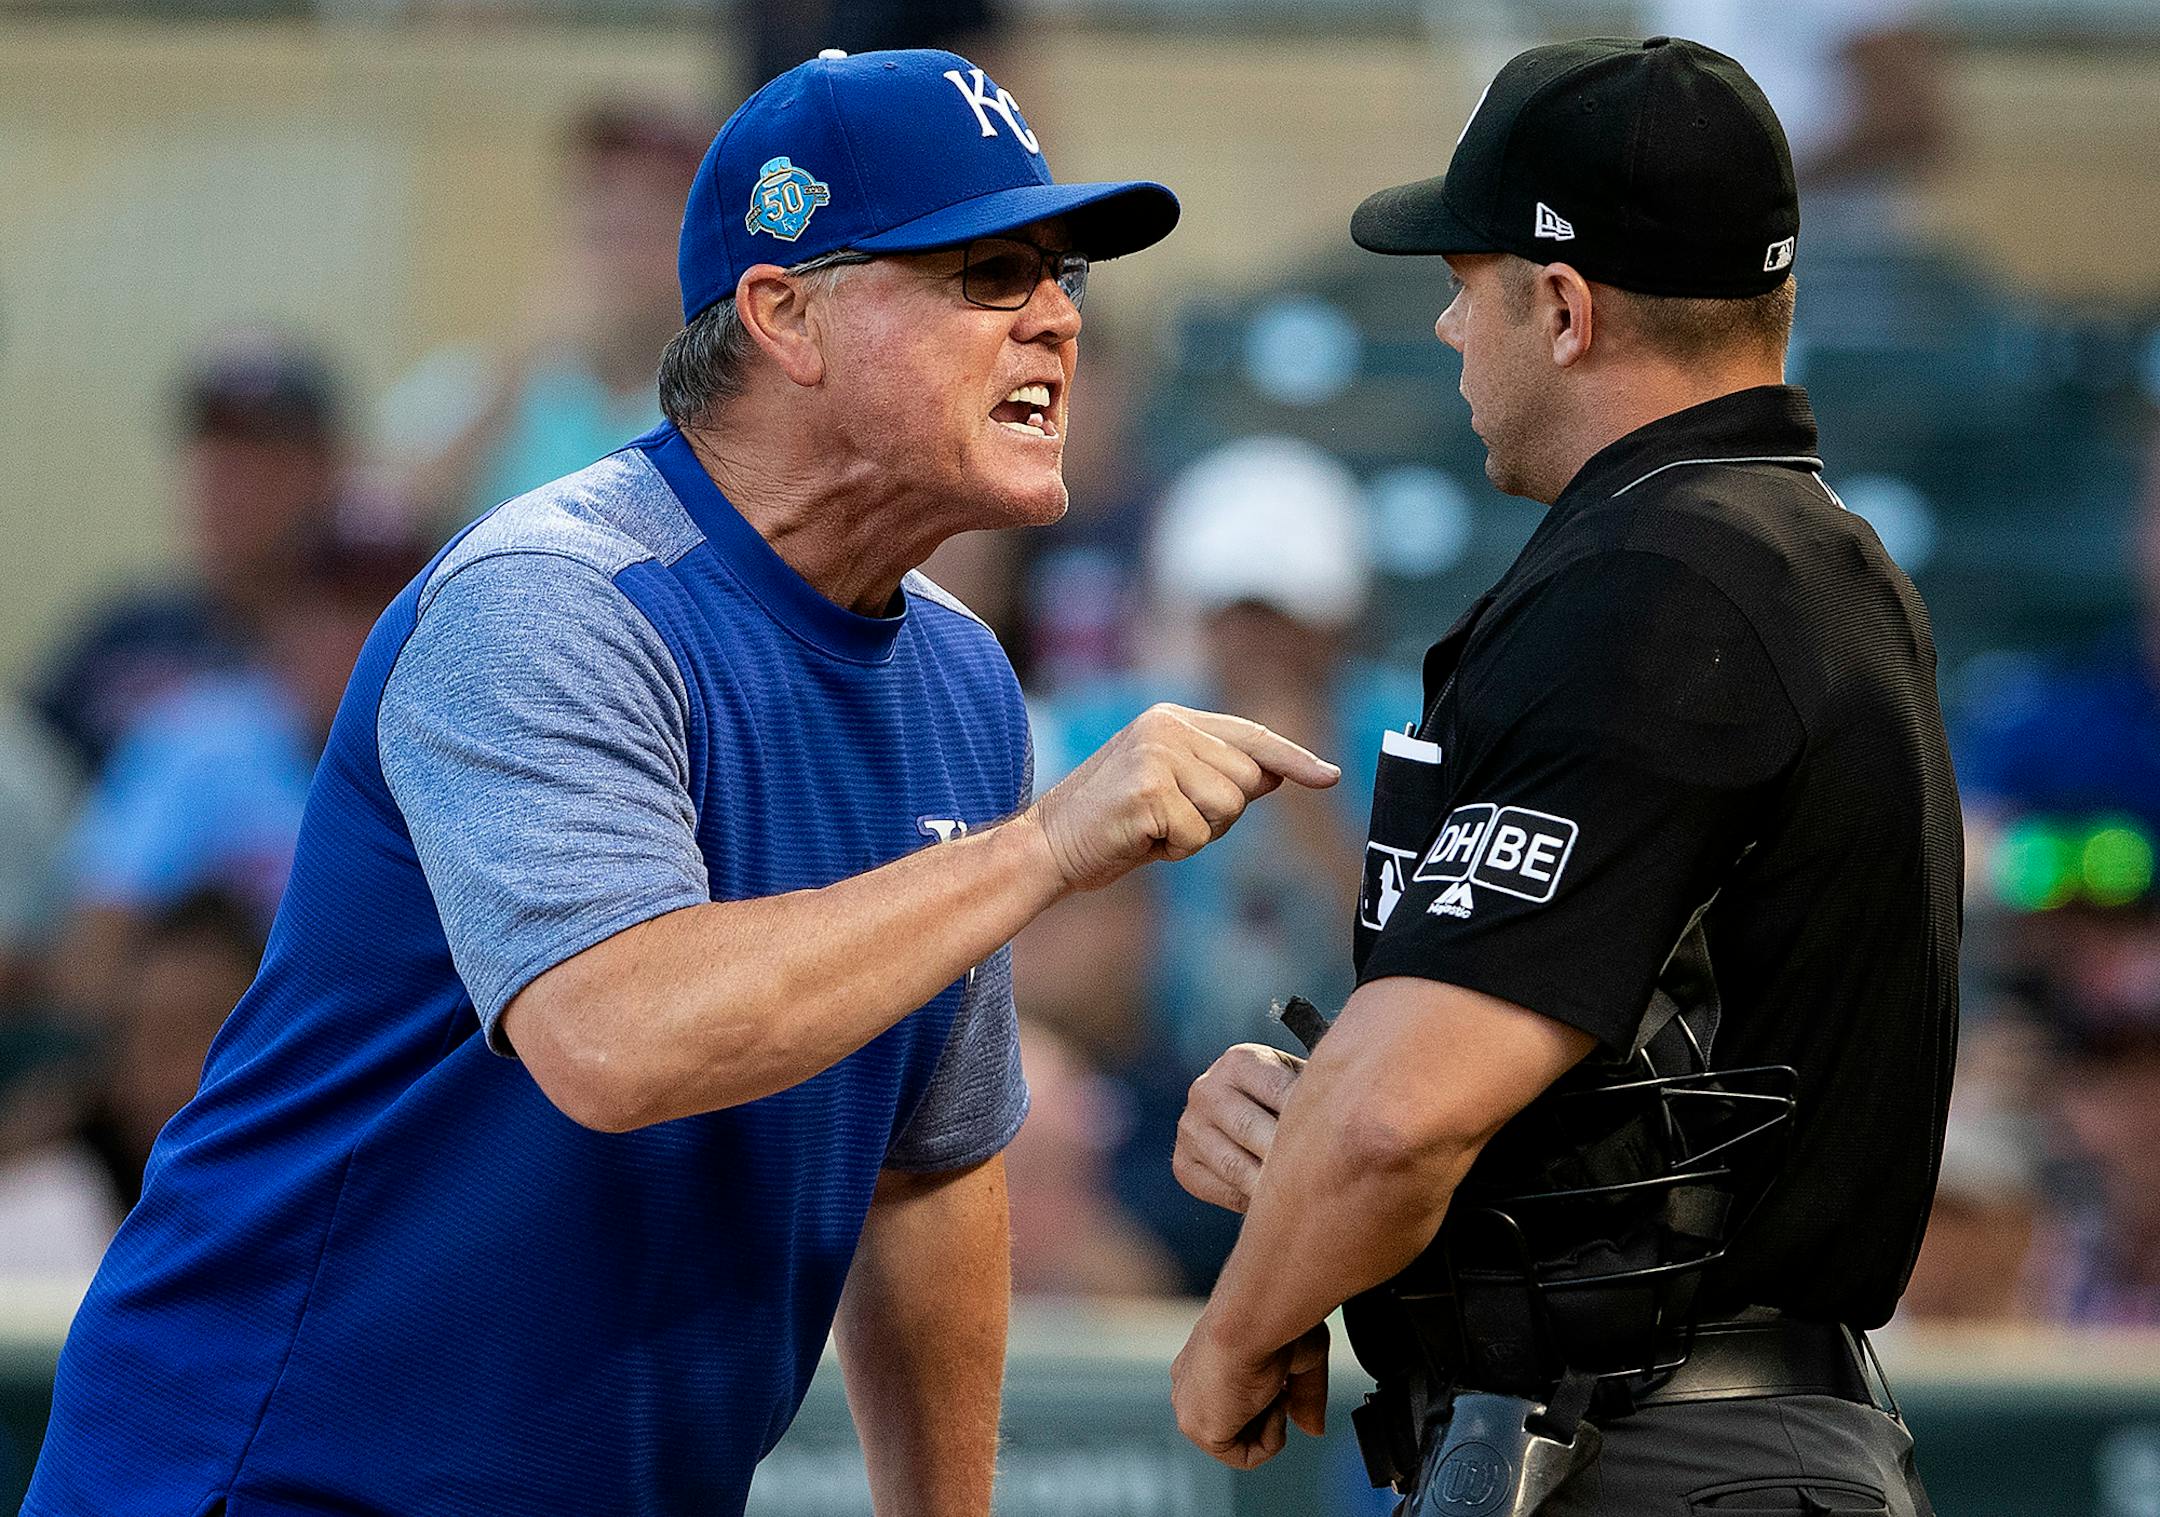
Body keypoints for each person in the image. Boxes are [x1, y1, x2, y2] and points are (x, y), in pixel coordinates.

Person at [24, 49, 1338, 1517]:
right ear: (786, 315)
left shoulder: (961, 677)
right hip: (280, 1477)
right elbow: (617, 1038)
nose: (1056, 317)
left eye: (1063, 274)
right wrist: (1042, 848)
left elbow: (927, 1169)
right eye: (989, 272)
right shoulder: (556, 598)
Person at [1165, 37, 1959, 1517]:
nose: (1447, 326)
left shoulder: (1664, 583)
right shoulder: (1798, 558)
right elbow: (1590, 1068)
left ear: (1565, 307)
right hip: (1708, 1439)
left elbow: (1406, 1119)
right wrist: (1308, 1127)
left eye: (1465, 282)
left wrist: (1240, 1328)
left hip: (1661, 1453)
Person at [26, 335, 345, 778]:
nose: (228, 482)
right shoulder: (125, 641)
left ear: (327, 471)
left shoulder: (362, 641)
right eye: (214, 454)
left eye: (261, 458)